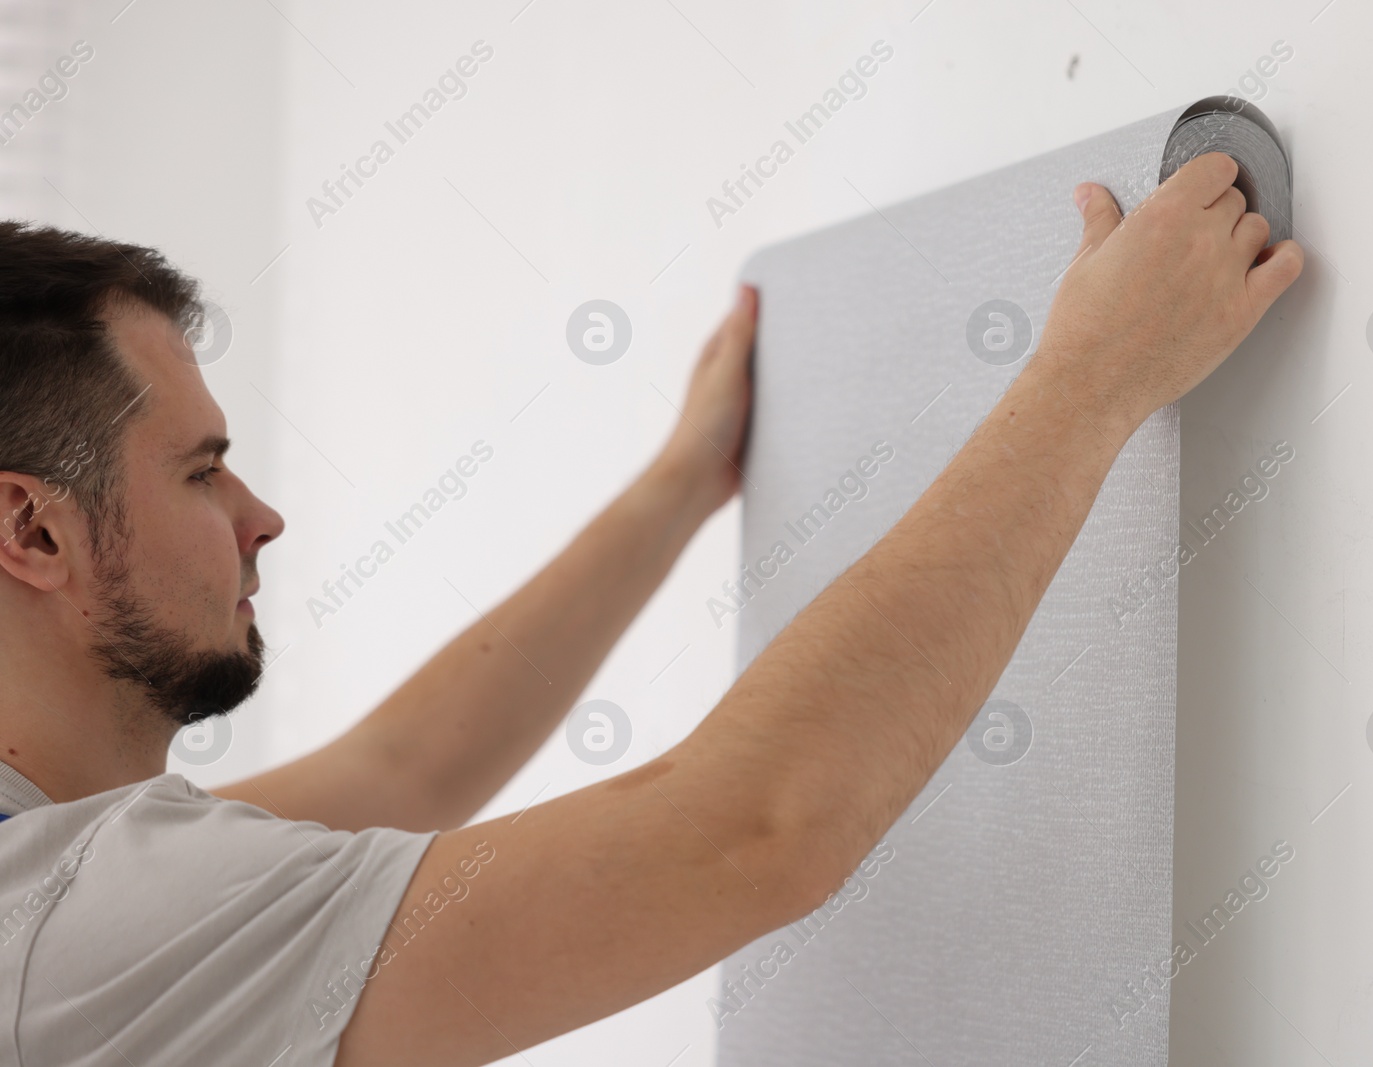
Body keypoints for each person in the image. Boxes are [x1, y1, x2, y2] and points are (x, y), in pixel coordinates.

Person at [0, 151, 1301, 1066]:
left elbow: (409, 766)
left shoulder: (63, 886)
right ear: (33, 529)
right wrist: (1091, 380)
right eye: (198, 466)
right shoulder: (75, 923)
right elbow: (749, 832)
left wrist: (679, 489)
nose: (258, 516)